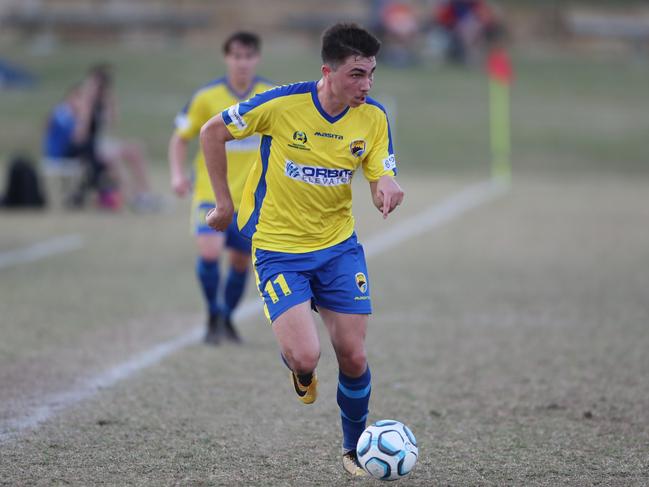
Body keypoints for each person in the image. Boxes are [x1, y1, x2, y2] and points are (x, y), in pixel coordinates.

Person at [200, 23, 404, 475]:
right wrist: (223, 204)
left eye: (371, 74)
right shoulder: (281, 105)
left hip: (337, 249)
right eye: (356, 74)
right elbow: (212, 132)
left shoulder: (373, 117)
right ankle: (299, 366)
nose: (365, 85)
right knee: (306, 355)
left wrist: (386, 189)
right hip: (277, 249)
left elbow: (380, 174)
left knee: (353, 354)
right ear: (327, 71)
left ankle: (353, 450)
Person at [168, 32, 274, 344]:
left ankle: (226, 317)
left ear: (258, 58)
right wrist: (176, 174)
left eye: (249, 56)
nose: (242, 63)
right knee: (211, 252)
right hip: (209, 194)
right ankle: (213, 311)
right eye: (236, 56)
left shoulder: (271, 95)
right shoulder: (206, 97)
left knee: (241, 262)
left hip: (251, 198)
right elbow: (179, 138)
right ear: (226, 58)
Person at [84, 64, 159, 211]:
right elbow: (81, 132)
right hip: (88, 146)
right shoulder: (83, 99)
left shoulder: (103, 101)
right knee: (114, 158)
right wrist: (88, 102)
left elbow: (113, 123)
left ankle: (144, 194)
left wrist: (109, 101)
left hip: (102, 143)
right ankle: (130, 198)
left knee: (136, 148)